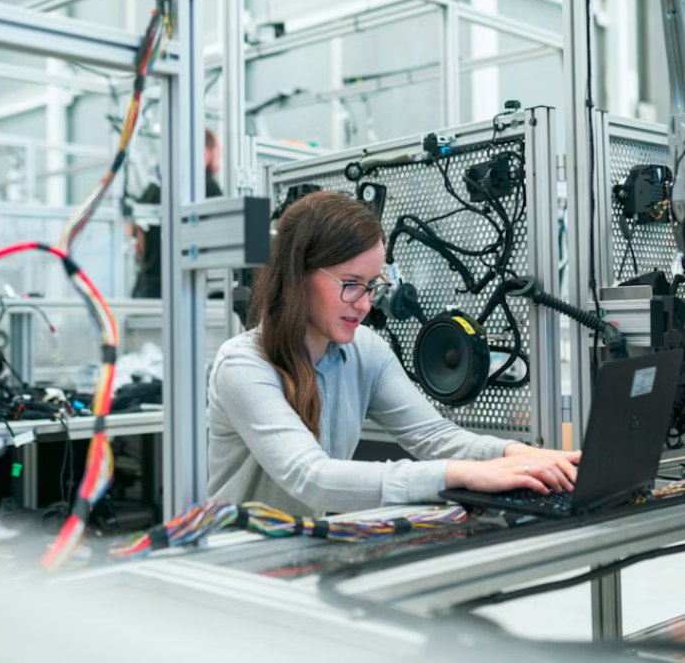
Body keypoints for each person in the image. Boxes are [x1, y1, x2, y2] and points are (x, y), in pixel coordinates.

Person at [207, 191, 580, 517]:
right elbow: (312, 478)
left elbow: (434, 436)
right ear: (297, 277)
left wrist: (518, 454)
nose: (365, 304)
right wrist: (461, 474)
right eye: (351, 284)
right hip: (236, 559)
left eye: (372, 285)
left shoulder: (365, 350)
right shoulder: (243, 365)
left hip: (303, 547)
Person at [131, 128, 222, 298]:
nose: (219, 161)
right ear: (205, 153)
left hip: (148, 291)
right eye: (218, 154)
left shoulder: (154, 189)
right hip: (188, 292)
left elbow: (134, 235)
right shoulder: (208, 187)